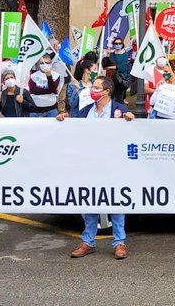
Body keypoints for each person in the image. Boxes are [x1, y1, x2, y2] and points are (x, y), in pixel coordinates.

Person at [59, 76, 134, 260]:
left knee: (116, 203)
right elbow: (73, 125)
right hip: (90, 164)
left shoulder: (120, 110)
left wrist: (131, 119)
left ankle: (119, 243)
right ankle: (88, 241)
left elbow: (131, 134)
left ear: (107, 91)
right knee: (90, 202)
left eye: (97, 87)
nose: (93, 89)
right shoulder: (86, 111)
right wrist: (63, 118)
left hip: (113, 163)